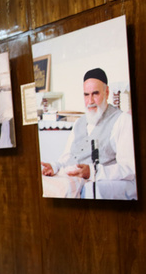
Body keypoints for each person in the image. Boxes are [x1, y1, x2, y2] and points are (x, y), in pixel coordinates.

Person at [41, 68, 137, 200]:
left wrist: (92, 172)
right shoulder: (79, 123)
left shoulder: (122, 120)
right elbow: (68, 156)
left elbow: (129, 169)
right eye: (86, 95)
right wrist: (54, 166)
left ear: (106, 92)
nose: (90, 101)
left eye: (95, 94)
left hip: (96, 182)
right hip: (72, 179)